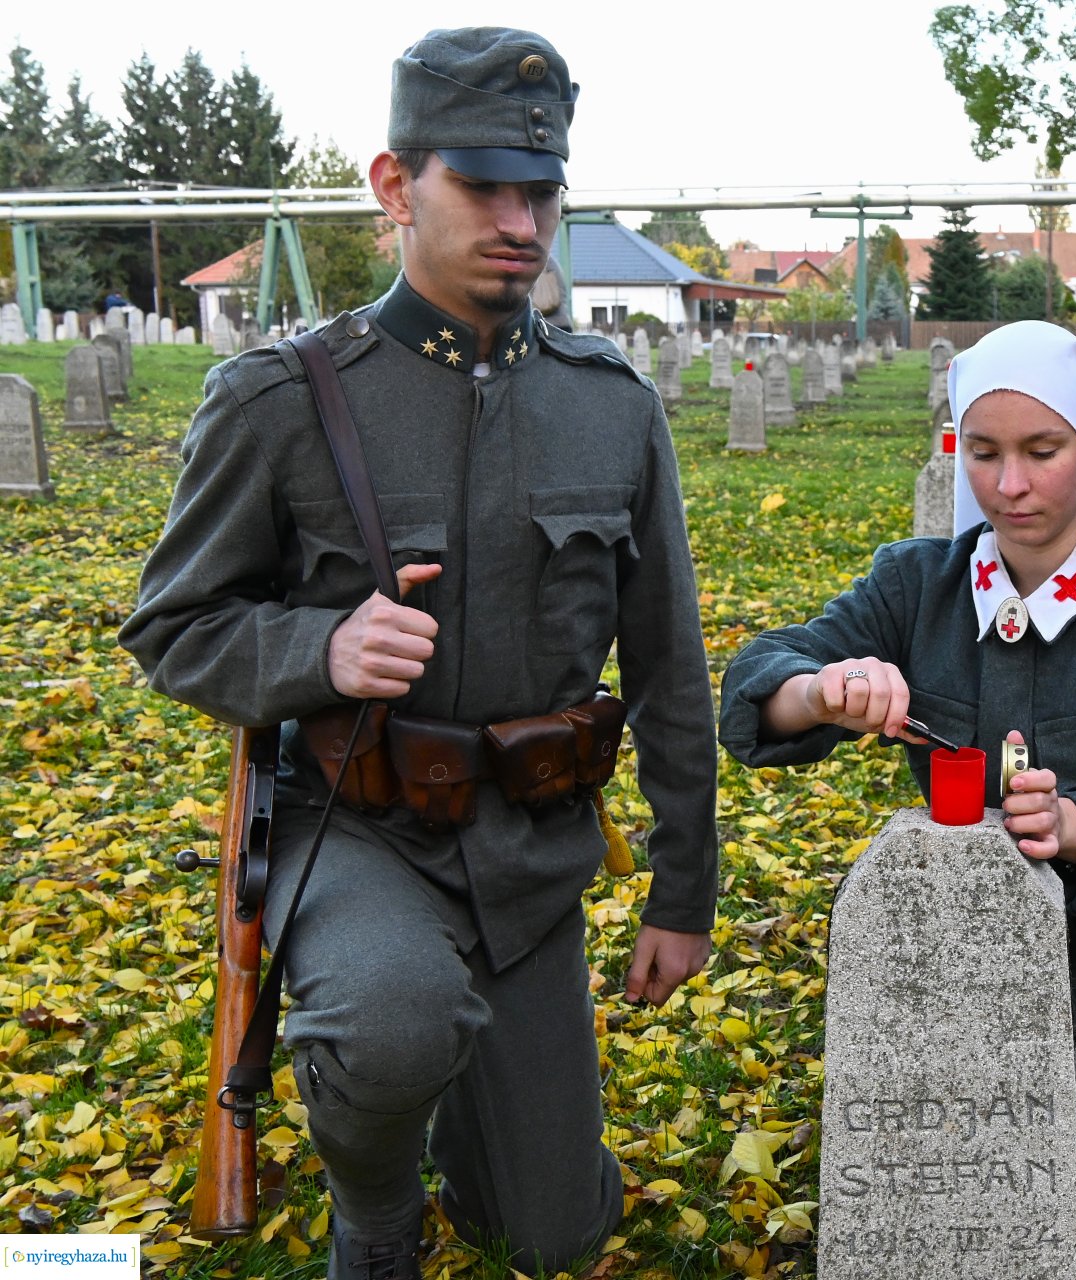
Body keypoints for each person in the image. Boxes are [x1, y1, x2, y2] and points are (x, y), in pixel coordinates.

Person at [119, 27, 718, 1280]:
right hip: (359, 826)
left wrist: (682, 887)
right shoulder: (281, 398)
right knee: (392, 1023)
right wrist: (320, 645)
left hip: (530, 846)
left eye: (540, 190)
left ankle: (468, 1107)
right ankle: (377, 1196)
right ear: (396, 187)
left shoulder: (611, 405)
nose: (521, 219)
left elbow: (668, 660)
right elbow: (173, 624)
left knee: (552, 1233)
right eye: (483, 185)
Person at [719, 319, 1076, 1280]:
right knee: (940, 1131)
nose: (1008, 485)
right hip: (959, 968)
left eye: (1040, 452)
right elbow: (764, 673)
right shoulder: (917, 586)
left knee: (1037, 1137)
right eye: (983, 453)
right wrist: (821, 689)